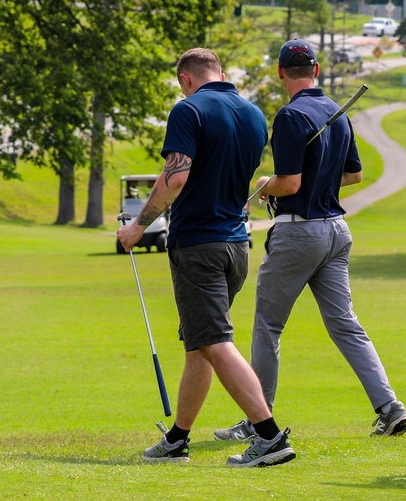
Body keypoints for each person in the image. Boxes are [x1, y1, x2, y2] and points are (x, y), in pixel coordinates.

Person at [213, 39, 406, 442]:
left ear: (281, 72)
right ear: (316, 70)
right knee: (346, 325)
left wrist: (267, 185)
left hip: (299, 232)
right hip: (337, 232)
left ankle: (258, 421)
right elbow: (353, 175)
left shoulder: (290, 116)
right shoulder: (335, 112)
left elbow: (290, 182)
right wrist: (315, 177)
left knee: (267, 326)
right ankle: (391, 407)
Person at [116, 48, 295, 468]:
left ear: (185, 79)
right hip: (237, 245)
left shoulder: (187, 110)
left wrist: (139, 224)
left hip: (198, 244)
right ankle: (177, 439)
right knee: (200, 344)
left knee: (214, 341)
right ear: (222, 73)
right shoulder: (253, 114)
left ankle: (268, 436)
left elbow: (176, 176)